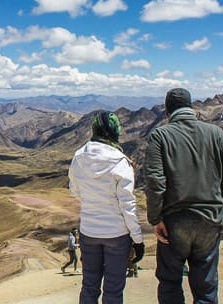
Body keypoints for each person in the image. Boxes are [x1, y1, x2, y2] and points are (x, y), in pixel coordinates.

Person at [144, 88, 223, 304]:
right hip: (210, 220)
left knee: (170, 281)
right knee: (205, 286)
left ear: (168, 110)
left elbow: (155, 182)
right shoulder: (216, 133)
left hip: (173, 221)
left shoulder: (160, 135)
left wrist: (155, 219)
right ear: (191, 107)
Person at [69, 111, 145, 304]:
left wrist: (91, 199)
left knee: (89, 286)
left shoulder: (78, 157)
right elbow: (127, 205)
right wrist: (137, 239)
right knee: (113, 289)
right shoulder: (121, 162)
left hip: (89, 231)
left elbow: (74, 191)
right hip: (117, 235)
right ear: (114, 132)